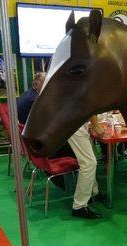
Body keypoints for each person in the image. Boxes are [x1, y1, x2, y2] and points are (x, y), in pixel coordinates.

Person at [17, 72, 103, 219]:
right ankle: (80, 206)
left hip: (65, 126)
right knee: (89, 163)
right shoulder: (81, 80)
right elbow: (88, 105)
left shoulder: (68, 79)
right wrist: (96, 126)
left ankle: (93, 192)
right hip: (71, 125)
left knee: (90, 156)